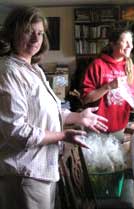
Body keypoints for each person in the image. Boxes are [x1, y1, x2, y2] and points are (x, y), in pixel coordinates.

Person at [0, 6, 108, 209]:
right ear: (13, 33)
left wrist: (78, 117)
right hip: (24, 173)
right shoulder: (8, 72)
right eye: (28, 32)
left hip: (41, 170)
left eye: (39, 33)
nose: (35, 39)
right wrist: (63, 136)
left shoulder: (33, 69)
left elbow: (49, 111)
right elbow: (16, 131)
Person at [81, 28, 134, 140]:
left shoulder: (132, 69)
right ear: (113, 44)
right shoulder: (97, 65)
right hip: (95, 129)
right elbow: (86, 98)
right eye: (125, 42)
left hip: (118, 130)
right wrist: (108, 86)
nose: (130, 46)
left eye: (131, 42)